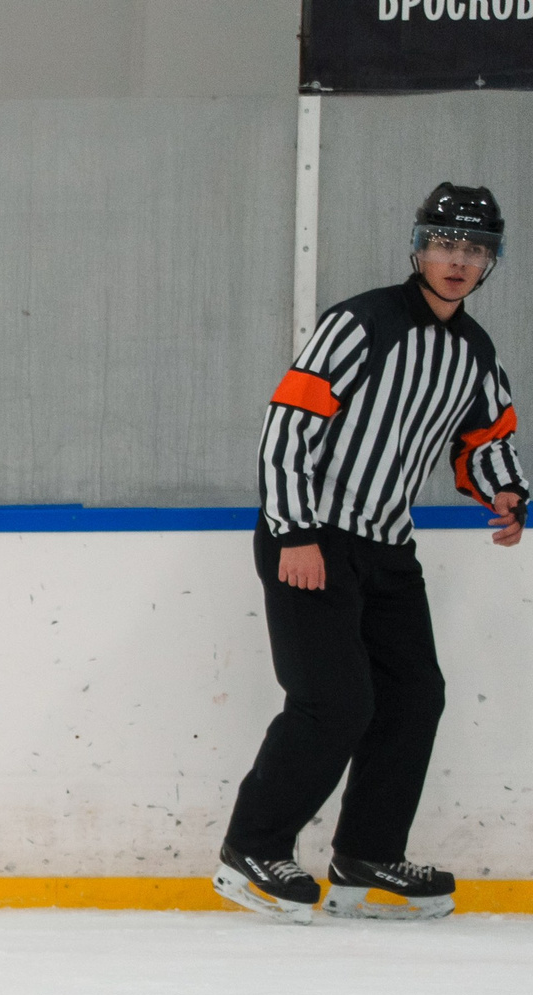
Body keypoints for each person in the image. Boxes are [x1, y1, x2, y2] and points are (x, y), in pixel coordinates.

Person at [217, 183, 524, 922]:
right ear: (419, 247)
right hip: (313, 537)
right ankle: (251, 847)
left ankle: (367, 858)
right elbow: (289, 422)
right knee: (335, 701)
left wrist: (505, 492)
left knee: (415, 696)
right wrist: (294, 530)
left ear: (490, 263)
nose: (459, 260)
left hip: (388, 548)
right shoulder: (362, 322)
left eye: (475, 249)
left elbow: (486, 435)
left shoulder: (473, 350)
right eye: (446, 244)